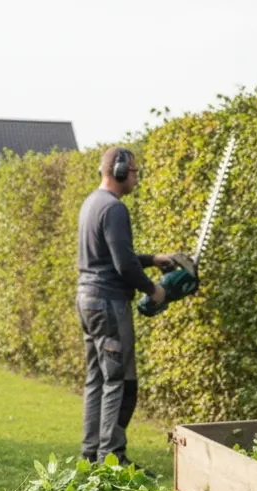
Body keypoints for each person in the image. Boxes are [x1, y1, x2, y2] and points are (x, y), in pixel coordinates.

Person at [75, 146, 182, 466]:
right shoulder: (115, 209)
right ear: (119, 171)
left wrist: (153, 260)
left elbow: (111, 257)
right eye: (134, 171)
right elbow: (122, 265)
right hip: (109, 303)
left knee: (96, 380)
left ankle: (90, 455)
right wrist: (154, 290)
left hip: (87, 299)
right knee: (116, 381)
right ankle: (111, 458)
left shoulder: (91, 203)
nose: (136, 177)